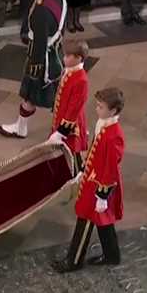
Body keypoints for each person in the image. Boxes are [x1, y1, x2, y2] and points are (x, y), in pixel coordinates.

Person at [52, 87, 126, 273]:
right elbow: (95, 152)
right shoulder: (104, 125)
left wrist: (102, 193)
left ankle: (74, 261)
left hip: (100, 184)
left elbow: (110, 167)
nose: (97, 109)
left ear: (113, 111)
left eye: (101, 107)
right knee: (103, 220)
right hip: (93, 177)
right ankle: (112, 255)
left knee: (85, 219)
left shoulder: (113, 135)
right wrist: (84, 169)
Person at [0, 0, 67, 138]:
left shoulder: (42, 9)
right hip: (55, 51)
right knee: (51, 95)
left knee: (35, 93)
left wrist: (35, 66)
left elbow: (39, 41)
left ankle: (61, 131)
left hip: (41, 57)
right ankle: (22, 127)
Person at [46, 39, 90, 161]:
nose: (64, 59)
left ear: (79, 58)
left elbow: (73, 109)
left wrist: (61, 132)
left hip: (70, 127)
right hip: (61, 119)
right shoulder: (69, 71)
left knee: (72, 156)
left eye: (68, 56)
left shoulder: (81, 80)